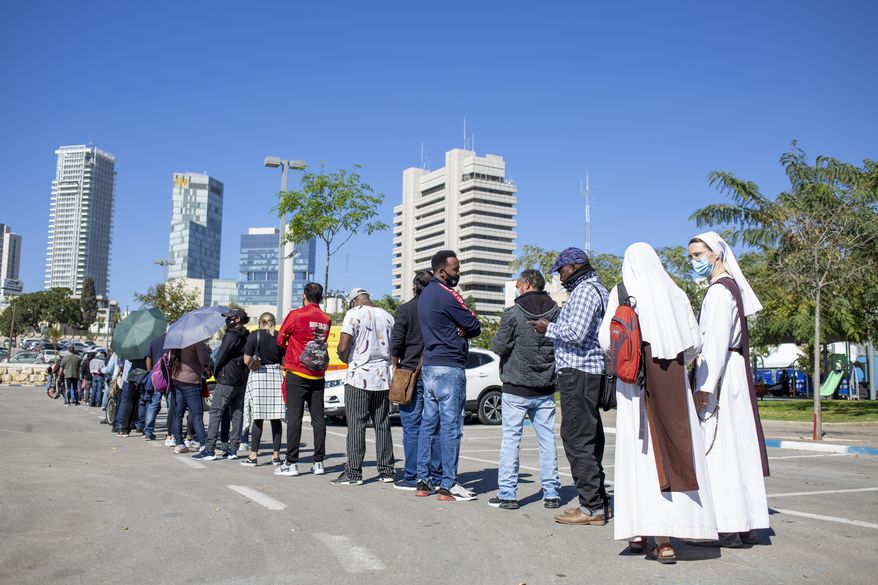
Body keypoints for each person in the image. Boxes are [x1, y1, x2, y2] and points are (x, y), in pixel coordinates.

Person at [599, 243, 718, 564]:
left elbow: (605, 339)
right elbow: (694, 343)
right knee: (668, 453)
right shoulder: (675, 293)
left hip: (633, 389)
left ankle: (639, 532)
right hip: (672, 385)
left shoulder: (621, 293)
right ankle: (665, 539)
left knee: (636, 460)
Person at [688, 231, 770, 548]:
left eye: (698, 255)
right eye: (692, 256)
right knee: (736, 449)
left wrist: (705, 387)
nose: (694, 261)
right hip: (730, 374)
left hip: (720, 375)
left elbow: (716, 342)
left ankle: (725, 525)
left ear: (716, 253)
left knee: (720, 450)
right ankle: (745, 522)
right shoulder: (726, 288)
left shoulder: (719, 293)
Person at [530, 247, 610, 525]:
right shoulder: (590, 289)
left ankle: (592, 507)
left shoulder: (587, 291)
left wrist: (546, 328)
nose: (560, 276)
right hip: (583, 372)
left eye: (561, 270)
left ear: (574, 267)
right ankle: (596, 501)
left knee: (577, 439)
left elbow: (576, 332)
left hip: (579, 372)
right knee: (588, 438)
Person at [489, 269, 562, 510]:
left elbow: (499, 345)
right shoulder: (557, 312)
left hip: (515, 387)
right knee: (547, 441)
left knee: (511, 441)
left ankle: (508, 495)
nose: (517, 289)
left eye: (519, 284)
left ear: (528, 284)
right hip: (545, 387)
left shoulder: (513, 313)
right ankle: (551, 493)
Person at [416, 250, 481, 501]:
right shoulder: (447, 295)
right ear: (442, 272)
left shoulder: (424, 296)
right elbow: (474, 325)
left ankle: (423, 481)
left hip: (430, 366)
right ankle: (448, 484)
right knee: (451, 428)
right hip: (449, 367)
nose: (458, 273)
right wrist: (462, 328)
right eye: (455, 270)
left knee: (428, 425)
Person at [331, 288, 396, 486]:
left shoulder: (353, 314)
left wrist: (346, 358)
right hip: (382, 377)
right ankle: (387, 470)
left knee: (356, 424)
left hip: (358, 377)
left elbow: (343, 347)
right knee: (382, 423)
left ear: (353, 302)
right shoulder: (387, 316)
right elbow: (394, 349)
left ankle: (353, 472)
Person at [391, 270, 443, 491]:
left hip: (410, 372)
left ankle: (412, 475)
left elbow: (396, 343)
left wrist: (395, 365)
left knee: (411, 426)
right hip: (437, 371)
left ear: (414, 287)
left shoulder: (405, 310)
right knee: (437, 426)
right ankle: (437, 475)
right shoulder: (440, 309)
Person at [275, 283, 331, 477]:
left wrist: (291, 342)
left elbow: (280, 339)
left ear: (304, 296)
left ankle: (291, 463)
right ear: (321, 297)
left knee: (294, 418)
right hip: (318, 374)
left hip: (297, 373)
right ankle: (318, 462)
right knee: (318, 418)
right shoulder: (326, 319)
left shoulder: (296, 315)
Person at [194, 308, 250, 461]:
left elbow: (221, 356)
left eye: (230, 317)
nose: (227, 320)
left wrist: (213, 371)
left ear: (237, 319)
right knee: (237, 414)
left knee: (215, 411)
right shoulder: (246, 335)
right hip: (242, 378)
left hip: (227, 378)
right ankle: (233, 450)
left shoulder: (231, 335)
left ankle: (210, 449)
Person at [240, 312, 286, 467]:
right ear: (274, 322)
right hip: (276, 375)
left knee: (257, 418)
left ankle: (253, 456)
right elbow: (284, 361)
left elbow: (246, 359)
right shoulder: (280, 337)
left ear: (260, 323)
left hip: (259, 376)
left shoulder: (254, 336)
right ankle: (276, 456)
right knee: (276, 417)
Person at [170, 341, 210, 454]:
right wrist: (207, 351)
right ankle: (203, 444)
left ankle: (179, 444)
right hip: (191, 381)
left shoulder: (176, 341)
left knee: (178, 414)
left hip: (177, 379)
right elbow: (204, 360)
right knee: (197, 415)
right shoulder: (196, 341)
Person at [143, 332, 168, 442]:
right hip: (169, 376)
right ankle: (171, 431)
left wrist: (151, 372)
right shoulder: (173, 341)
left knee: (154, 403)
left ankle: (148, 430)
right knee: (171, 404)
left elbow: (148, 358)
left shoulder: (155, 341)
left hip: (156, 376)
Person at [118, 355, 149, 437]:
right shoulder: (149, 346)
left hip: (133, 375)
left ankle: (125, 429)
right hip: (145, 375)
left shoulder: (134, 348)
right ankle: (144, 428)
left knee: (130, 401)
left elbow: (130, 360)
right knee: (145, 402)